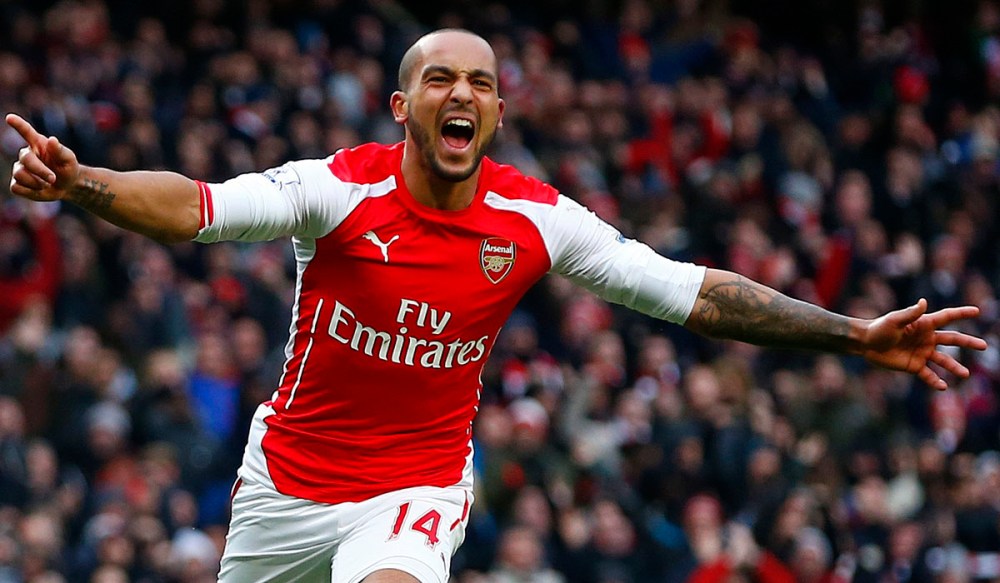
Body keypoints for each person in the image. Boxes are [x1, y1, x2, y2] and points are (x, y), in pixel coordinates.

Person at [5, 28, 987, 583]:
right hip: (286, 484)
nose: (461, 93)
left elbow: (689, 293)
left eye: (480, 82)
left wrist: (853, 332)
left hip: (416, 489)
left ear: (498, 116)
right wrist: (83, 183)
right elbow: (199, 209)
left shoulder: (535, 220)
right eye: (439, 79)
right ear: (404, 108)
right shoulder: (338, 189)